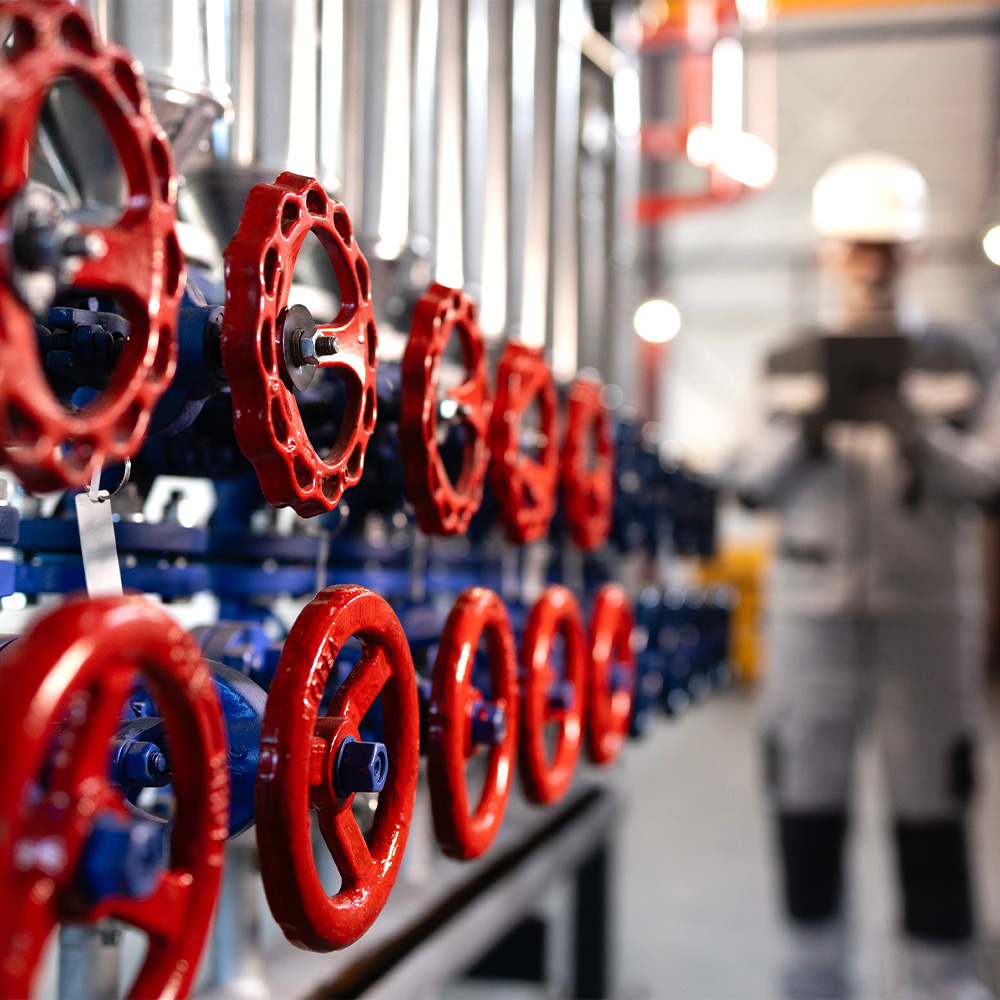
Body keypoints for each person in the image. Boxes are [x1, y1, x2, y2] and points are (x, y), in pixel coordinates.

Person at [729, 152, 1000, 999]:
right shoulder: (788, 361)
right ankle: (812, 977)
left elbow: (988, 481)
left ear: (914, 251)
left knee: (933, 803)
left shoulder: (962, 356)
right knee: (806, 803)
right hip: (811, 614)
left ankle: (942, 978)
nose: (869, 265)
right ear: (825, 252)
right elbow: (746, 480)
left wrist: (916, 434)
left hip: (925, 615)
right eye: (855, 247)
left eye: (885, 248)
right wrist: (810, 429)